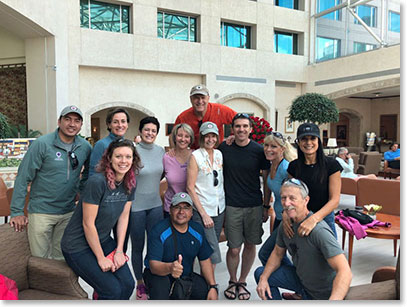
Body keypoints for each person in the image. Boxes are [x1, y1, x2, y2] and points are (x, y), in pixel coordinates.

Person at [61, 139, 140, 300]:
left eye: (128, 157)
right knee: (112, 290)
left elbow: (124, 217)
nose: (123, 161)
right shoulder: (97, 182)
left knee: (128, 285)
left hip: (103, 240)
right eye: (118, 156)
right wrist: (100, 258)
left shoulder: (130, 182)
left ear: (133, 159)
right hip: (77, 245)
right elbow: (88, 223)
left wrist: (119, 251)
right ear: (109, 158)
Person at [10, 105, 91, 260]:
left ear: (81, 125)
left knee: (62, 259)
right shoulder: (42, 144)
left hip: (68, 212)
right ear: (59, 122)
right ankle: (39, 286)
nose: (72, 124)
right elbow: (23, 177)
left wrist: (81, 192)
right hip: (42, 212)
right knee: (40, 260)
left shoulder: (85, 147)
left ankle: (57, 286)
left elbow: (88, 173)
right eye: (67, 119)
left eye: (76, 121)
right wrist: (17, 212)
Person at [255, 179, 352, 300]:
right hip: (303, 284)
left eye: (292, 198)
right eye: (283, 198)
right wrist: (263, 279)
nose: (286, 203)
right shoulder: (286, 225)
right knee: (261, 274)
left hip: (322, 295)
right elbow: (277, 254)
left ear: (306, 200)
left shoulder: (319, 231)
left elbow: (345, 271)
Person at [282, 123, 343, 300]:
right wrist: (286, 213)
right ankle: (302, 290)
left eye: (312, 138)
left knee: (326, 262)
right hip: (298, 218)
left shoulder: (331, 165)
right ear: (298, 142)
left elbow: (335, 200)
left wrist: (314, 219)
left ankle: (328, 297)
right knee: (298, 257)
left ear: (319, 141)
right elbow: (289, 194)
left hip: (323, 218)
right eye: (304, 139)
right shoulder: (294, 166)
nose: (308, 142)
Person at [218, 113, 271, 300]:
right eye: (238, 126)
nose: (241, 129)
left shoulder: (258, 150)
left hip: (254, 205)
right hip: (232, 205)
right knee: (233, 248)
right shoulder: (224, 147)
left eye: (245, 126)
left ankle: (242, 281)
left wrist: (266, 205)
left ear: (250, 129)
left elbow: (266, 179)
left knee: (250, 244)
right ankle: (232, 280)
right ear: (233, 129)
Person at [143, 192, 218, 300]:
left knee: (204, 291)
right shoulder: (159, 230)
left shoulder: (197, 230)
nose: (181, 212)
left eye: (186, 208)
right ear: (170, 210)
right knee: (160, 293)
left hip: (185, 275)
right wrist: (170, 267)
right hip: (159, 275)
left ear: (192, 212)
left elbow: (205, 260)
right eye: (177, 207)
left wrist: (212, 286)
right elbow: (153, 266)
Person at [130, 116, 165, 300]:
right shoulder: (132, 151)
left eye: (153, 130)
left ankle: (152, 277)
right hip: (136, 207)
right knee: (137, 246)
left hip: (155, 206)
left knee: (154, 245)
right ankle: (140, 282)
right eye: (147, 130)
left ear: (156, 133)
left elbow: (162, 174)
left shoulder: (161, 151)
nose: (150, 133)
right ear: (141, 131)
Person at [187, 122, 225, 271]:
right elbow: (190, 187)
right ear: (202, 138)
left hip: (218, 208)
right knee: (212, 250)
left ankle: (208, 282)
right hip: (203, 209)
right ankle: (210, 285)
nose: (210, 139)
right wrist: (203, 214)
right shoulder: (195, 156)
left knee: (209, 249)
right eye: (207, 136)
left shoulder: (219, 154)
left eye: (213, 136)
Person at [258, 132, 297, 266]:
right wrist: (266, 207)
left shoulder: (286, 168)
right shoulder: (271, 165)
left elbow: (295, 196)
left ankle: (294, 278)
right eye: (266, 145)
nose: (268, 149)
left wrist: (288, 216)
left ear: (282, 149)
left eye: (273, 146)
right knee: (276, 253)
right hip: (279, 217)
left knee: (267, 253)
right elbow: (268, 189)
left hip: (289, 219)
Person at [174, 84, 237, 149]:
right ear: (191, 99)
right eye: (196, 98)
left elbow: (242, 120)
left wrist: (234, 135)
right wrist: (174, 152)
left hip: (217, 153)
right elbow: (173, 136)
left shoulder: (220, 110)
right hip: (195, 154)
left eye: (203, 97)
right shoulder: (183, 117)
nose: (200, 101)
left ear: (208, 98)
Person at [163, 123, 194, 218]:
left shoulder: (196, 156)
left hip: (191, 209)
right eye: (180, 135)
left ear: (191, 139)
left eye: (187, 136)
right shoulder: (167, 158)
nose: (183, 139)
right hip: (171, 209)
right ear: (175, 137)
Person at [89, 108, 130, 177]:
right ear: (109, 125)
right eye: (115, 122)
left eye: (123, 121)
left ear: (127, 124)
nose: (120, 125)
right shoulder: (101, 144)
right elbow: (93, 172)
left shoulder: (128, 145)